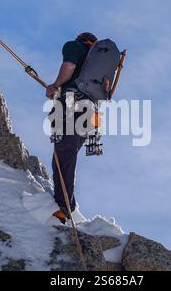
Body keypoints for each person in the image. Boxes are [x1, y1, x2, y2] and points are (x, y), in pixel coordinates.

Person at [46, 32, 98, 224]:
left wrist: (55, 85)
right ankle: (68, 204)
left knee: (63, 156)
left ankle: (64, 207)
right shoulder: (99, 62)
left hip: (71, 105)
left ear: (80, 39)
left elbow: (69, 66)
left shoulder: (75, 47)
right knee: (67, 155)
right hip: (91, 114)